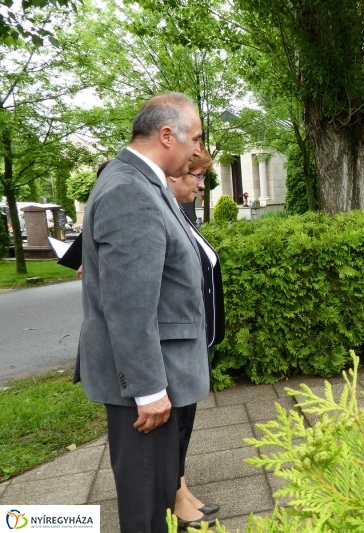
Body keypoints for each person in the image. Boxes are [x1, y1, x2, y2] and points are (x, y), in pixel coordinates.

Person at [75, 93, 210, 533]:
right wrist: (149, 389)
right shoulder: (130, 190)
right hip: (147, 389)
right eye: (196, 139)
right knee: (147, 511)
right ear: (166, 135)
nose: (197, 151)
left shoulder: (142, 181)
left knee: (156, 501)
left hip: (158, 376)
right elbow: (128, 305)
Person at [165, 146, 225, 527]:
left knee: (185, 420)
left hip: (195, 340)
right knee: (177, 421)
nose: (202, 186)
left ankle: (180, 488)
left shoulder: (181, 215)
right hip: (175, 344)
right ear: (172, 175)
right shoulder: (163, 215)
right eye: (196, 177)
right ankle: (173, 495)